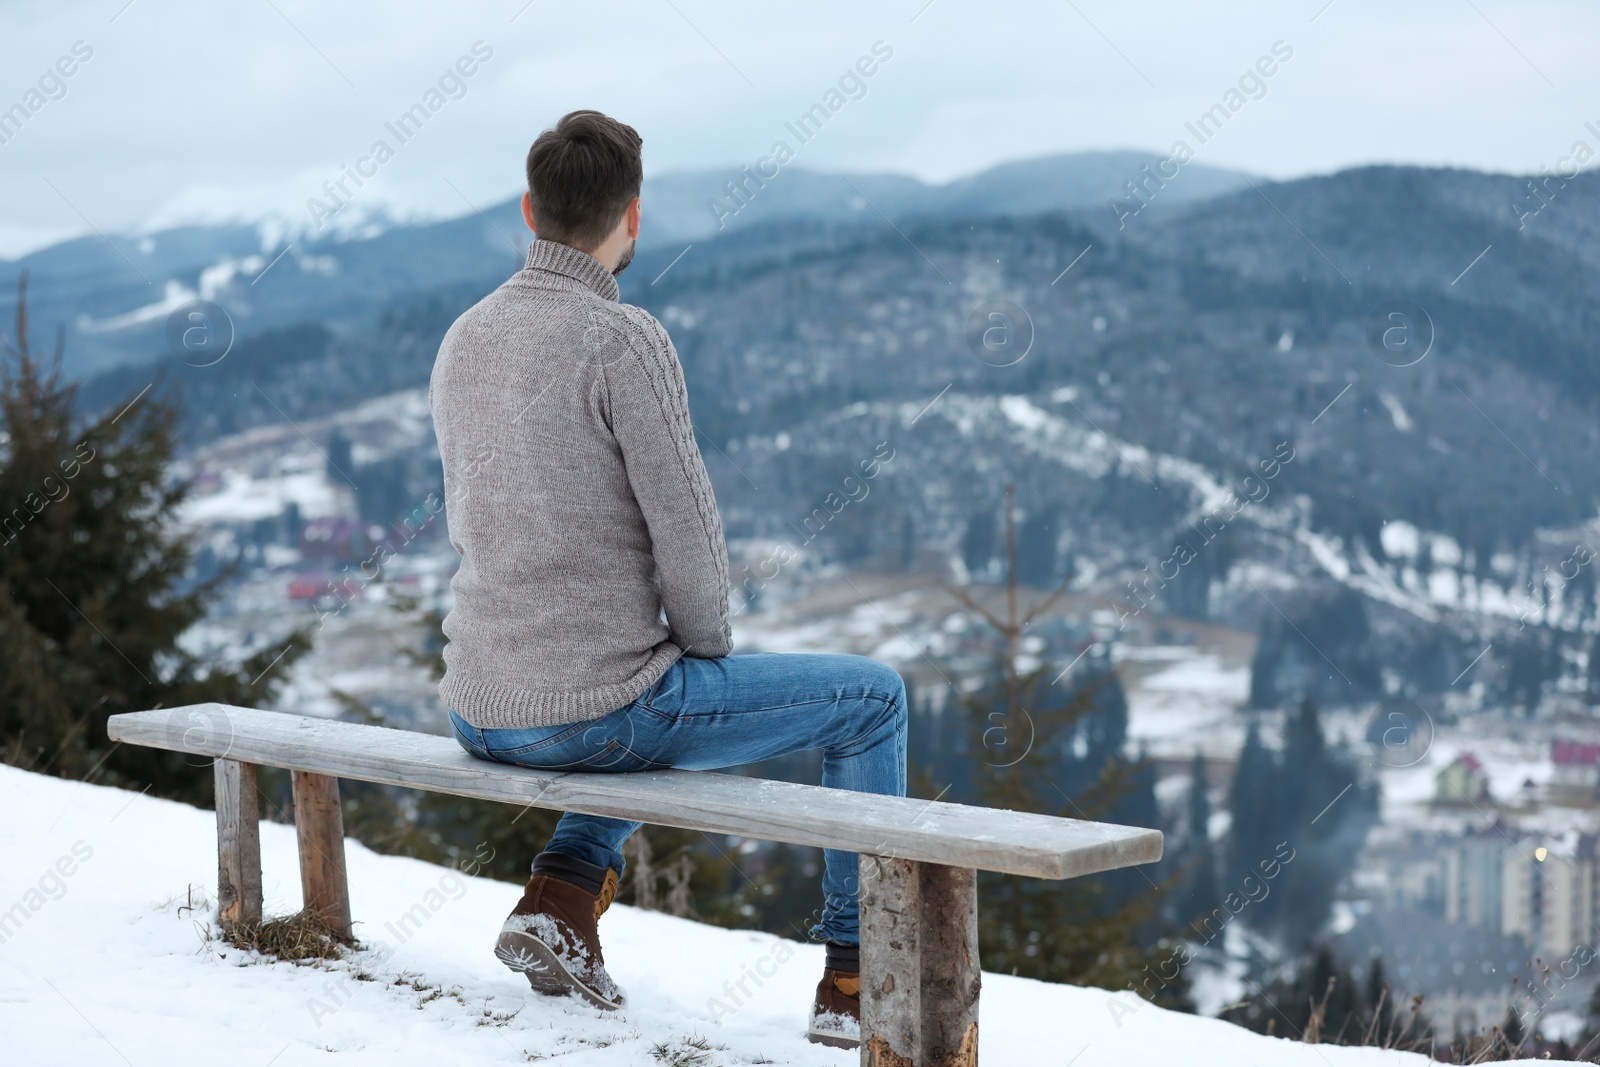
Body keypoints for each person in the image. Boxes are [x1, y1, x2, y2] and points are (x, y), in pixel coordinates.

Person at [427, 109, 907, 1049]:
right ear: (633, 217)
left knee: (629, 693)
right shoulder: (624, 339)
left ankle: (563, 896)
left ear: (530, 209)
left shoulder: (464, 337)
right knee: (872, 700)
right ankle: (857, 979)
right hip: (588, 708)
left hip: (476, 702)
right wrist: (705, 647)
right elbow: (687, 533)